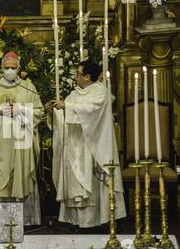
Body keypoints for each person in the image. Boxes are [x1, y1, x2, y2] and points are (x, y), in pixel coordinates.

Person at [45, 59, 126, 228]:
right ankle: (75, 220)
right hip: (74, 145)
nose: (76, 78)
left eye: (79, 74)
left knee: (92, 182)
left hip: (92, 147)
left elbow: (91, 110)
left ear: (88, 77)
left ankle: (97, 220)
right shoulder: (75, 94)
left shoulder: (100, 92)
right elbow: (66, 114)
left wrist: (67, 106)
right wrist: (55, 111)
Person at [0, 52, 44, 226]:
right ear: (1, 68)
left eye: (13, 68)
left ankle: (26, 220)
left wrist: (22, 109)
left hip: (22, 143)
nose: (10, 71)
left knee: (22, 176)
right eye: (7, 68)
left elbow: (39, 112)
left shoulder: (28, 87)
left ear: (19, 68)